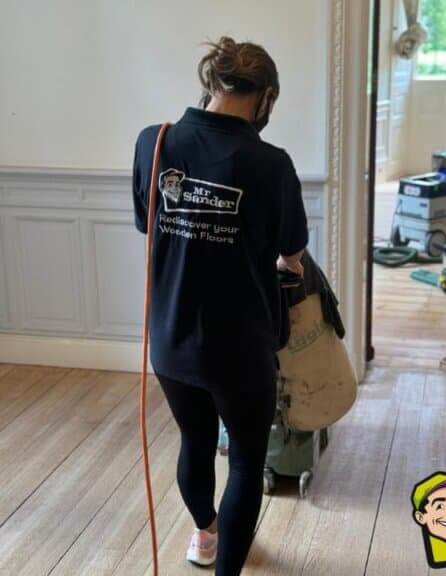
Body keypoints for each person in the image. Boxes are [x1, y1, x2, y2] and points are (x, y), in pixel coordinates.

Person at [132, 37, 307, 575]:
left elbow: (148, 226)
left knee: (195, 440)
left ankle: (206, 534)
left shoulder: (154, 142)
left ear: (211, 85)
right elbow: (290, 252)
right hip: (240, 349)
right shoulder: (271, 163)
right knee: (248, 458)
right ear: (266, 97)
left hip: (171, 341)